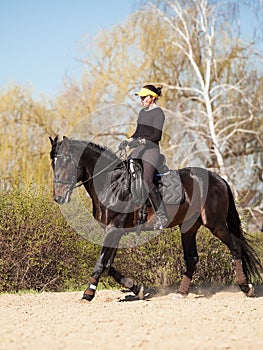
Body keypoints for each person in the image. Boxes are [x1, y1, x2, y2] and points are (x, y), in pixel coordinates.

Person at [119, 84, 168, 230]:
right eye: (140, 97)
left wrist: (141, 141)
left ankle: (161, 216)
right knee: (124, 173)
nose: (141, 99)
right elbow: (137, 132)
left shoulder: (159, 113)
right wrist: (127, 141)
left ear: (152, 98)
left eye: (144, 97)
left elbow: (157, 135)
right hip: (139, 150)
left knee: (146, 180)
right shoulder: (142, 112)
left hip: (151, 150)